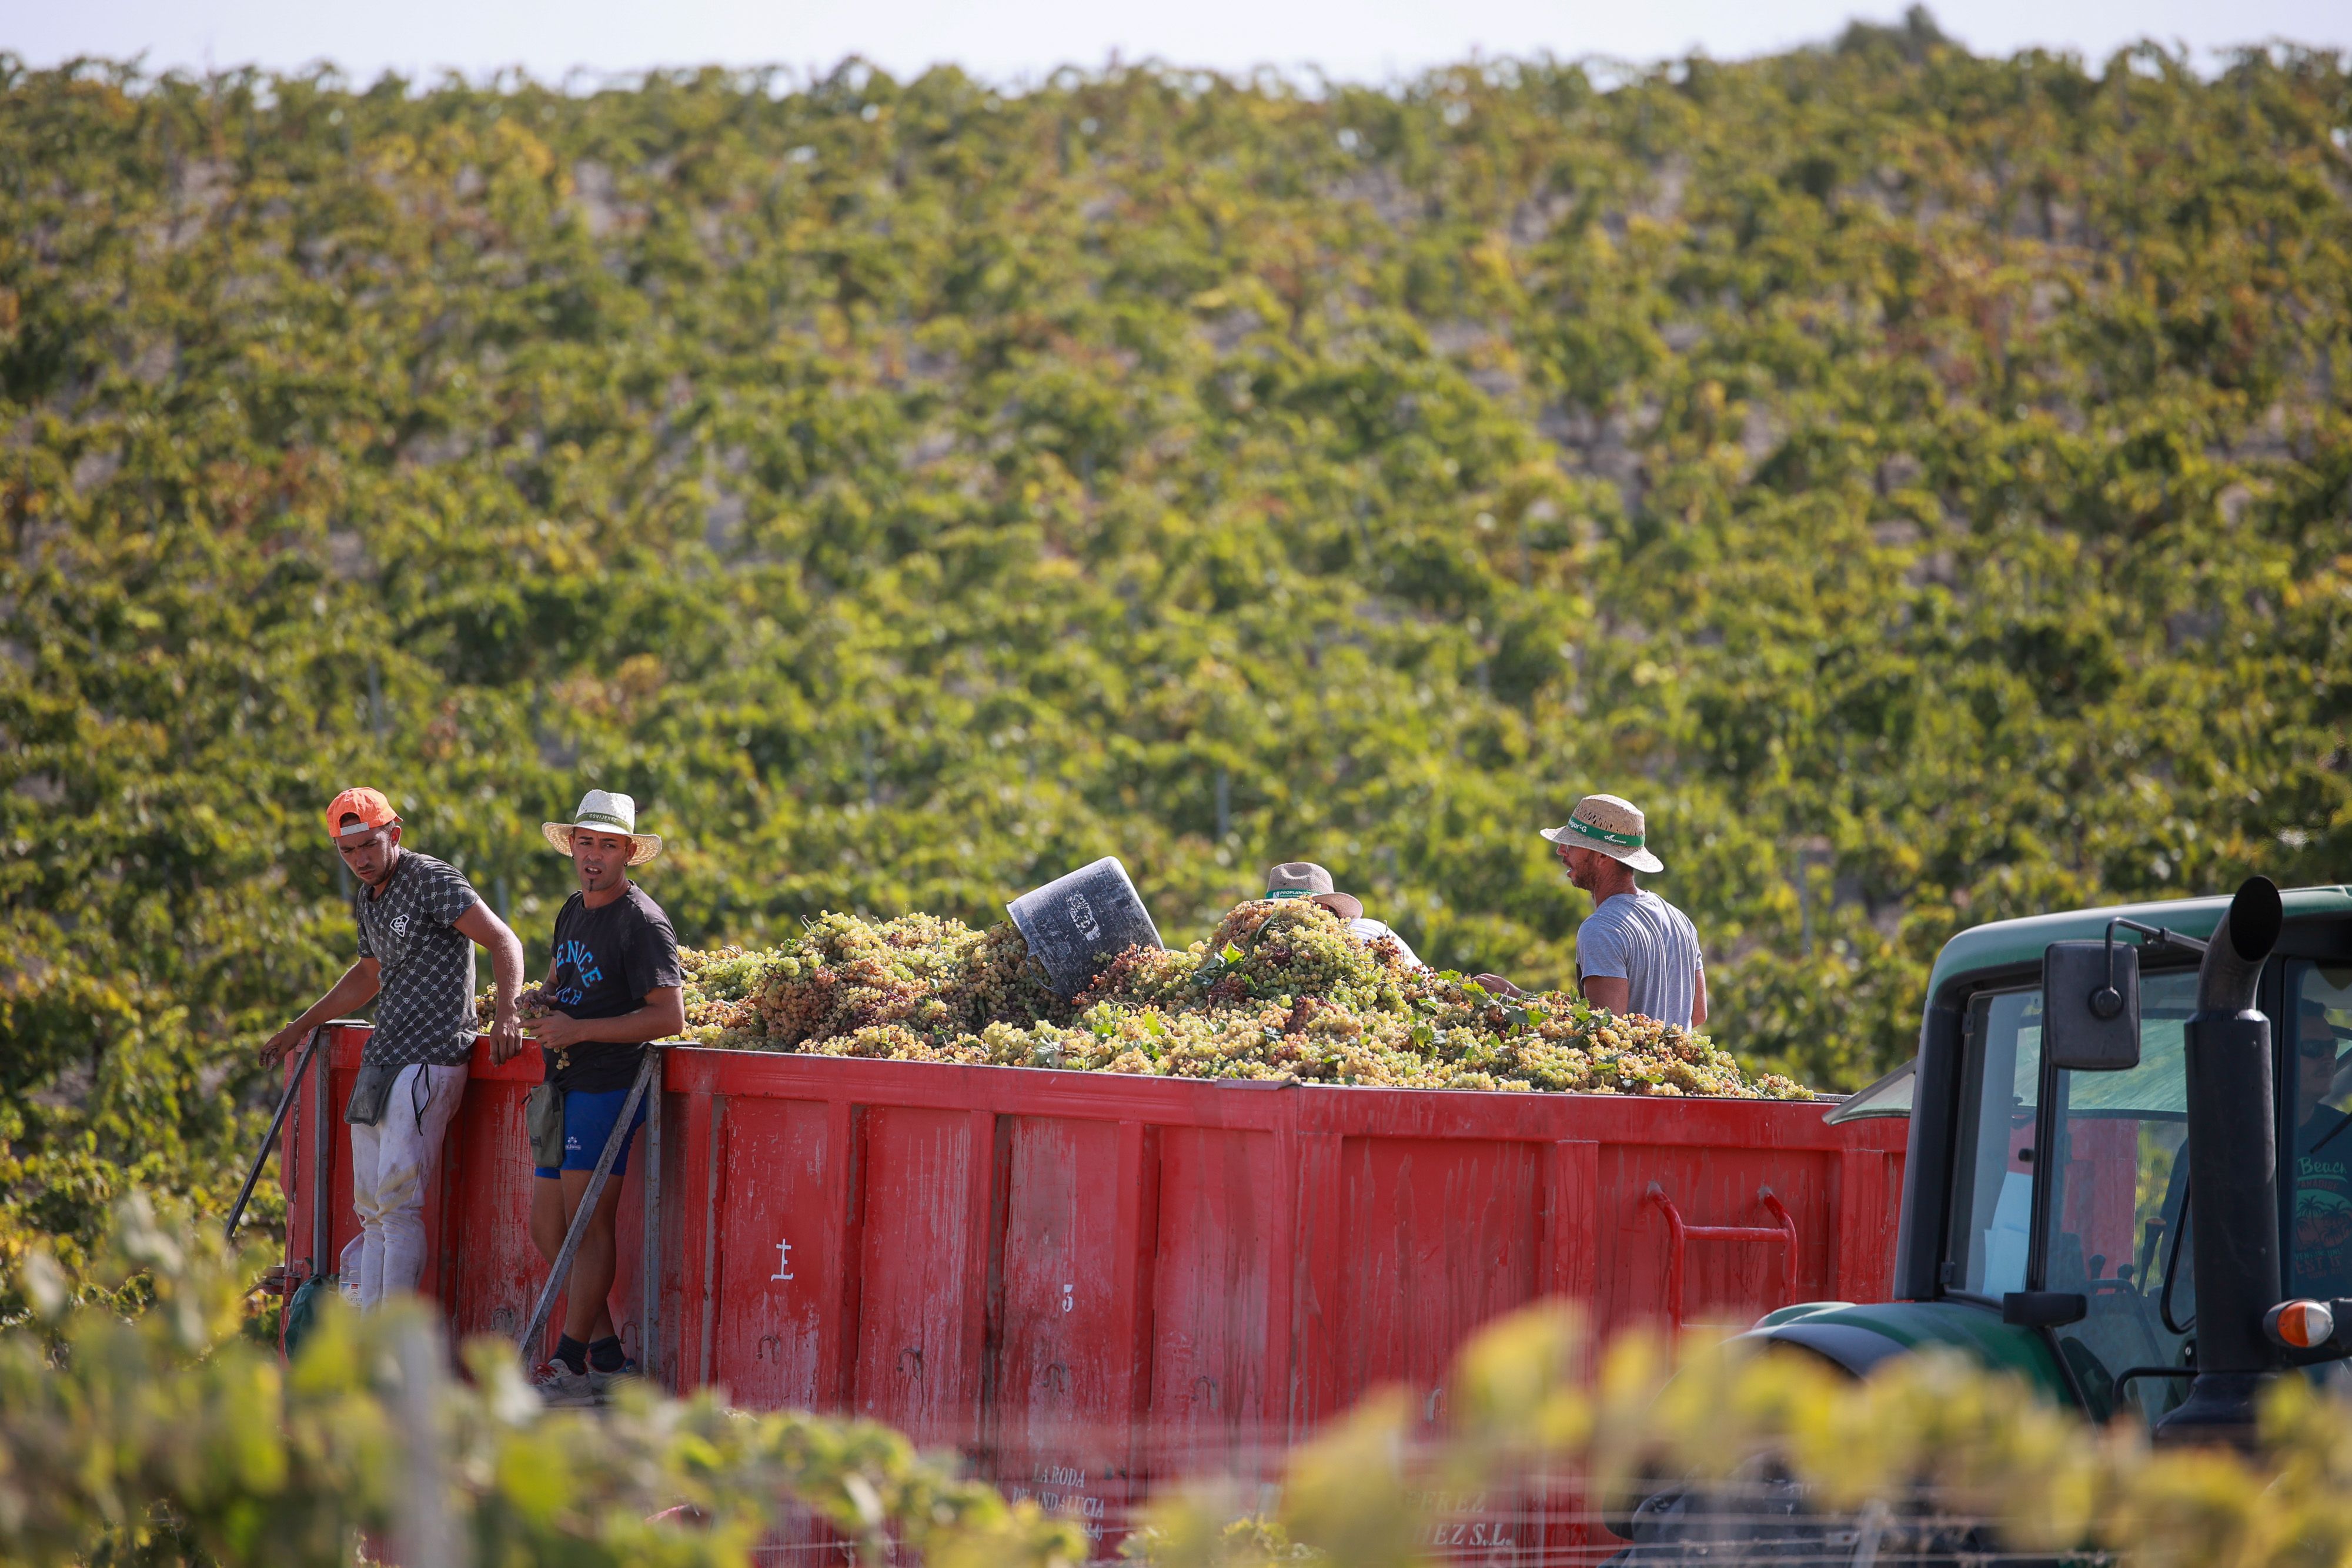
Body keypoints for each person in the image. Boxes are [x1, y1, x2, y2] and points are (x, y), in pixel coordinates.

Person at [262, 787, 526, 1308]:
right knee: (372, 1207)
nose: (360, 859)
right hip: (383, 1058)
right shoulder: (367, 898)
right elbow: (367, 976)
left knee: (399, 1205)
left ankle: (388, 1338)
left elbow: (503, 940)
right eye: (348, 850)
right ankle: (368, 1336)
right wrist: (301, 1025)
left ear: (394, 834)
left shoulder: (430, 878)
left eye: (369, 845)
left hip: (430, 1054)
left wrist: (509, 1011)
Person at [523, 788, 684, 1398]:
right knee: (547, 1228)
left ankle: (567, 1361)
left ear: (628, 854)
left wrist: (581, 1029)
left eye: (608, 846)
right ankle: (610, 1356)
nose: (594, 857)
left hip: (609, 1084)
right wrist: (539, 1003)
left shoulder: (642, 923)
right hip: (563, 1079)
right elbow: (562, 976)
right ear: (572, 847)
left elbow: (670, 1018)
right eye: (585, 843)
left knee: (588, 1224)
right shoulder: (573, 909)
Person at [1476, 793, 1706, 1028]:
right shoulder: (1680, 921)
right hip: (1669, 1064)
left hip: (1625, 1065)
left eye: (1573, 845)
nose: (1562, 852)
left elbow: (1602, 1028)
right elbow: (1697, 1014)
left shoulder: (1603, 929)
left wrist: (1520, 1001)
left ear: (1601, 856)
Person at [2290, 997, 2352, 1300]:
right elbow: (2182, 1253)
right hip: (2265, 1323)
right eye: (2314, 1050)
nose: (2328, 1059)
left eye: (2333, 1048)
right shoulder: (2223, 1143)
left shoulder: (2346, 1134)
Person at [1263, 861, 1426, 969]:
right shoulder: (1293, 958)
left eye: (1287, 914)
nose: (1276, 925)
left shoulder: (1363, 934)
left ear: (1323, 910)